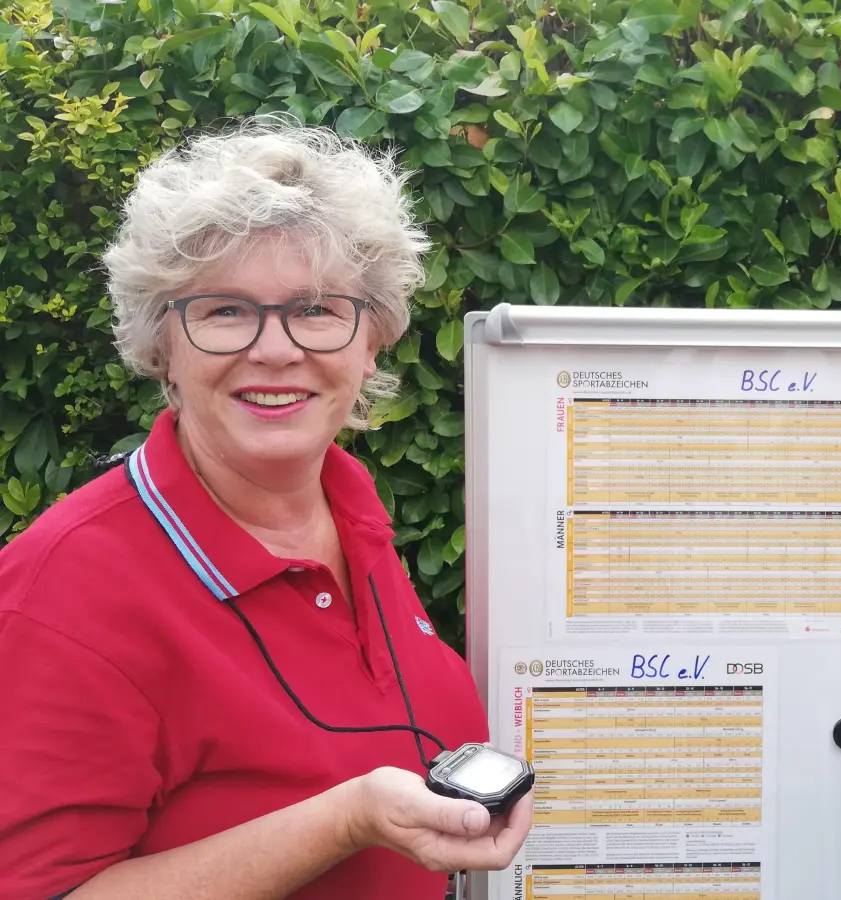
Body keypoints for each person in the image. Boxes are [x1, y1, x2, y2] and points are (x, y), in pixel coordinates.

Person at [0, 118, 532, 899]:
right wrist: (347, 819)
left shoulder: (354, 517)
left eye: (316, 309)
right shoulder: (62, 591)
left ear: (371, 341)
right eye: (224, 311)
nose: (276, 350)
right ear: (161, 348)